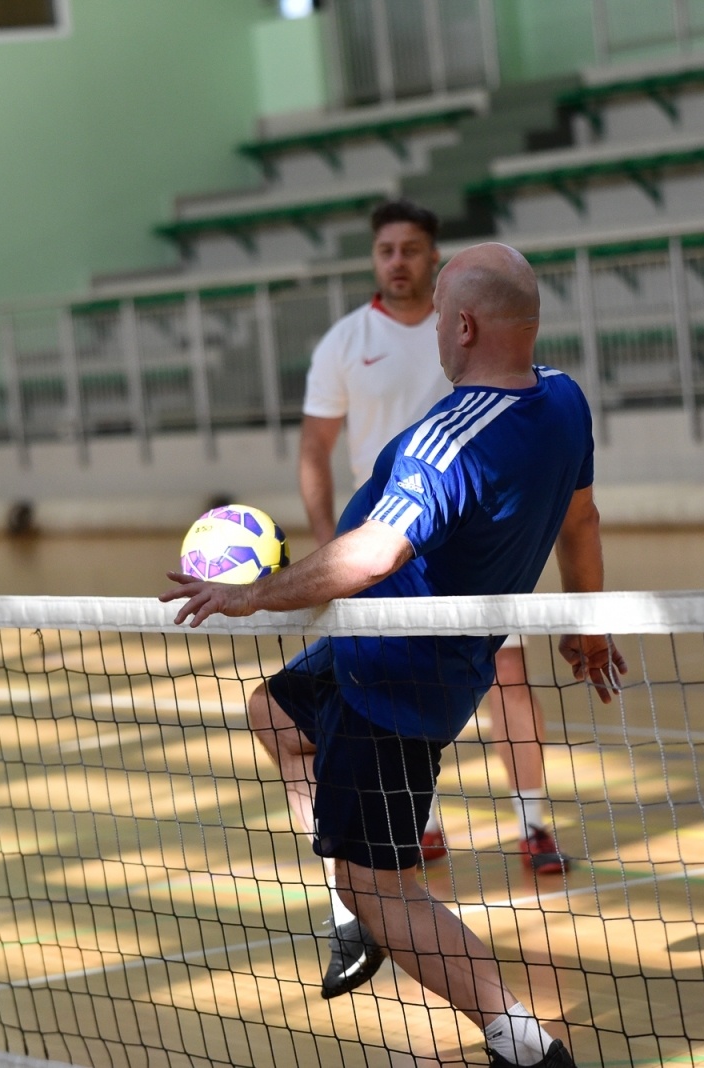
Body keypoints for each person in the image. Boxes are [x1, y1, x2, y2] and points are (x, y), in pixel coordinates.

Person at [163, 243, 624, 1068]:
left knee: (381, 888)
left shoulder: (447, 443)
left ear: (466, 325)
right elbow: (580, 521)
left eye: (442, 316)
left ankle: (523, 1044)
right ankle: (350, 901)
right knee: (273, 713)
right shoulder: (563, 400)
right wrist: (587, 623)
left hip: (390, 680)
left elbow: (375, 554)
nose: (435, 332)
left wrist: (252, 594)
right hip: (391, 651)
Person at [300, 199, 574, 885]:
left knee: (509, 678)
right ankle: (420, 823)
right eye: (385, 249)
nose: (397, 261)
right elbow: (314, 450)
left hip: (474, 544)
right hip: (388, 550)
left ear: (433, 257)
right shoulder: (343, 343)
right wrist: (329, 549)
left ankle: (533, 821)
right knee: (390, 689)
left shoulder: (473, 325)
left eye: (411, 249)